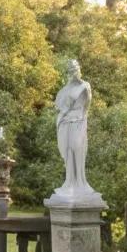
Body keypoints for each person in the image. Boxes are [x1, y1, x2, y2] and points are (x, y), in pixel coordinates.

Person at [54, 58, 93, 193]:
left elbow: (87, 104)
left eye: (76, 69)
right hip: (66, 122)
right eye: (71, 70)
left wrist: (81, 87)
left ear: (79, 70)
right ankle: (69, 181)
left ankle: (79, 182)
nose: (74, 72)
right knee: (67, 150)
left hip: (78, 121)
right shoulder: (65, 90)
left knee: (77, 148)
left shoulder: (85, 86)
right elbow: (60, 106)